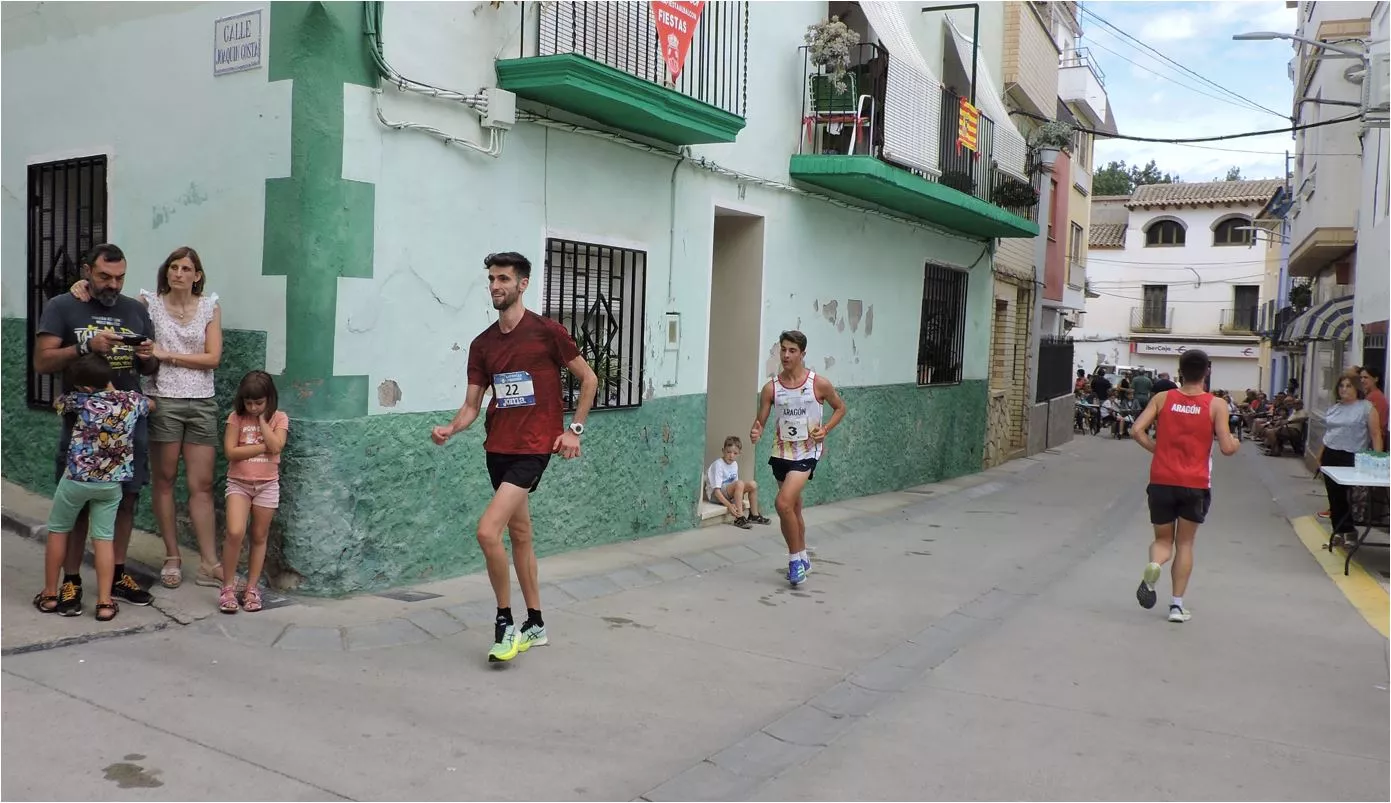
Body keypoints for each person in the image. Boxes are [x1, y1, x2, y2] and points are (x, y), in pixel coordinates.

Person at [431, 252, 597, 663]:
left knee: (488, 531)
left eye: (503, 279)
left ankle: (505, 623)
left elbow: (589, 379)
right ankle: (536, 622)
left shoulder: (548, 332)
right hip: (497, 449)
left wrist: (573, 430)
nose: (495, 286)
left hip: (533, 448)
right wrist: (453, 427)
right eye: (491, 280)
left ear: (522, 284)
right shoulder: (483, 344)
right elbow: (472, 405)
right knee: (520, 535)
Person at [71, 246, 225, 588]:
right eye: (174, 267)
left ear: (197, 275)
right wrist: (78, 287)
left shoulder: (209, 307)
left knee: (201, 486)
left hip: (202, 402)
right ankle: (172, 555)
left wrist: (165, 353)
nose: (179, 273)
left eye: (187, 268)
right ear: (166, 271)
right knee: (165, 480)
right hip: (162, 400)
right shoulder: (148, 303)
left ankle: (210, 562)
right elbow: (112, 303)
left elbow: (213, 358)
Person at [34, 244, 159, 612]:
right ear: (87, 270)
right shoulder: (62, 306)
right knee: (77, 508)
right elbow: (42, 361)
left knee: (127, 500)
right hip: (81, 433)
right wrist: (85, 345)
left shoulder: (135, 311)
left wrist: (148, 359)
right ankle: (71, 581)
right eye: (105, 276)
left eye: (120, 277)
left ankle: (117, 575)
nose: (113, 284)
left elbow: (149, 371)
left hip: (127, 427)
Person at [32, 355, 150, 621]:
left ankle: (50, 595)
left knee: (58, 531)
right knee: (104, 540)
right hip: (110, 485)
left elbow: (58, 403)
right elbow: (150, 404)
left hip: (76, 480)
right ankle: (105, 602)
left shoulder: (78, 401)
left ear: (84, 387)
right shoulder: (131, 401)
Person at [1131, 350, 1240, 624]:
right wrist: (1236, 443)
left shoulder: (1163, 398)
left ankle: (1155, 565)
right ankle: (1177, 606)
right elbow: (1227, 448)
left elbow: (1136, 430)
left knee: (1162, 540)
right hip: (1195, 483)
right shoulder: (1216, 405)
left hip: (1161, 480)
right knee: (1186, 543)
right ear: (1206, 372)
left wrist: (1157, 450)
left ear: (1180, 371)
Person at [750, 330, 847, 587]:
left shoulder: (819, 384)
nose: (786, 355)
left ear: (803, 354)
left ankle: (794, 562)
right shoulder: (771, 388)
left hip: (807, 452)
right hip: (781, 452)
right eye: (783, 349)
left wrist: (825, 430)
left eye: (792, 350)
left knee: (782, 503)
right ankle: (803, 555)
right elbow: (761, 419)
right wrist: (757, 428)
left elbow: (841, 408)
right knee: (793, 509)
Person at [219, 372, 289, 614]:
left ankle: (251, 588)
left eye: (259, 402)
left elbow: (278, 445)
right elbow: (230, 452)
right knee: (235, 532)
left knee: (259, 536)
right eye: (249, 402)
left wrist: (261, 422)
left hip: (267, 485)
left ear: (270, 399)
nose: (253, 407)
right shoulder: (235, 418)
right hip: (239, 483)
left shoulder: (279, 419)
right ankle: (227, 587)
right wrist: (263, 447)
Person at [1315, 374, 1384, 545]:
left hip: (1353, 455)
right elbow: (1329, 433)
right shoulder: (1335, 408)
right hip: (1331, 453)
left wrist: (1378, 460)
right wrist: (1320, 453)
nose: (1344, 389)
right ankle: (1339, 530)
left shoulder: (1366, 408)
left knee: (1350, 496)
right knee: (1334, 495)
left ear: (1356, 389)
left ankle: (1349, 529)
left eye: (1348, 386)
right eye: (1341, 386)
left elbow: (1375, 434)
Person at [706, 436, 771, 529]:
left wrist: (737, 502)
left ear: (739, 453)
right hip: (715, 495)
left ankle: (754, 515)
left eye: (735, 453)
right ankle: (739, 517)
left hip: (727, 494)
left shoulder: (734, 464)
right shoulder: (718, 464)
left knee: (753, 484)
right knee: (740, 483)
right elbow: (716, 491)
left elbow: (736, 487)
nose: (731, 455)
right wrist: (729, 505)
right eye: (728, 452)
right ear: (723, 450)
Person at [1358, 364, 1388, 448]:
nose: (1362, 380)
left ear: (1376, 379)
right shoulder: (1369, 395)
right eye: (1361, 378)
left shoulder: (1375, 397)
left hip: (1372, 442)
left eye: (1366, 377)